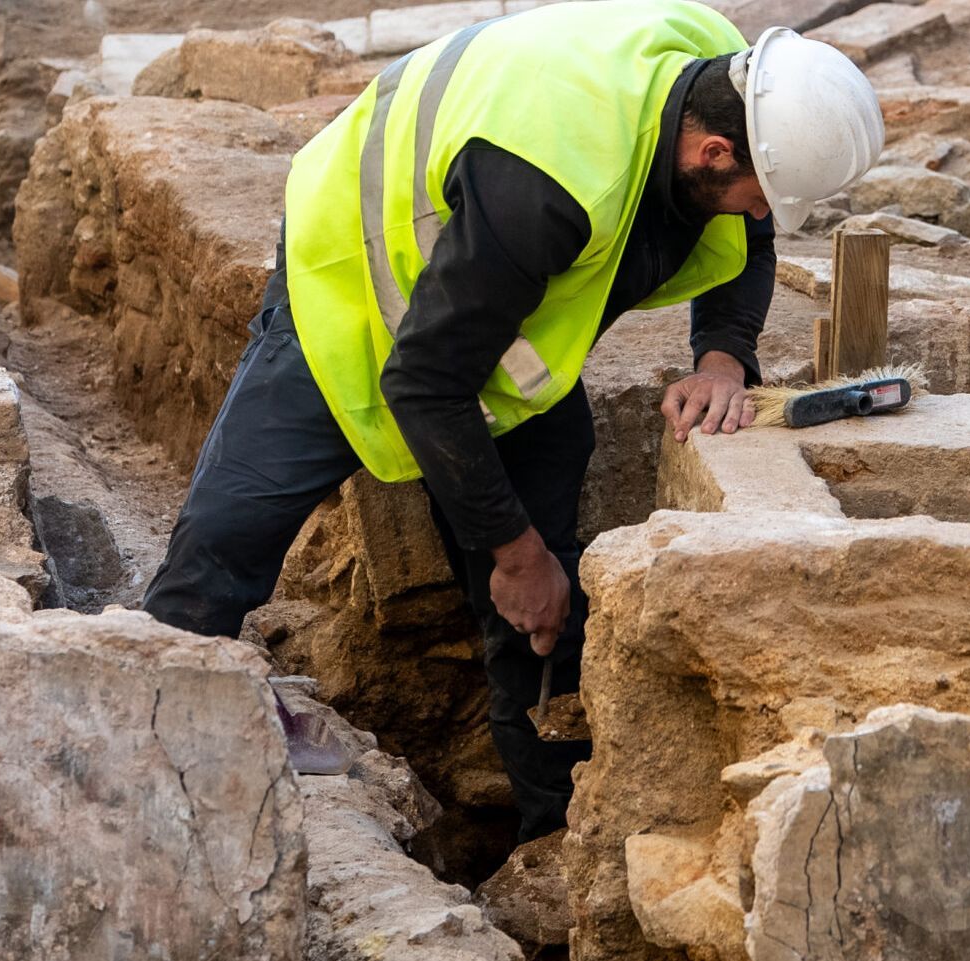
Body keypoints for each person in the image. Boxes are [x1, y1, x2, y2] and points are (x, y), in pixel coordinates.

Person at [140, 0, 884, 841]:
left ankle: (555, 838)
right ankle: (142, 735)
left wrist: (724, 355)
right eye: (756, 197)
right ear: (711, 153)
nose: (757, 218)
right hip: (356, 263)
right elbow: (424, 380)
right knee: (232, 527)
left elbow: (749, 240)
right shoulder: (554, 181)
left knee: (545, 596)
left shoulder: (727, 79)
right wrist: (514, 553)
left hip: (500, 300)